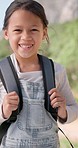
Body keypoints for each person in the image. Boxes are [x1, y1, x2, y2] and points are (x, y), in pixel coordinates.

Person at [0, 0, 78, 147]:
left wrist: (63, 111)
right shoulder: (1, 71)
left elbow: (74, 109)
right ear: (6, 33)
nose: (26, 37)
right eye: (18, 30)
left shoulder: (56, 70)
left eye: (33, 30)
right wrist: (3, 111)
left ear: (44, 32)